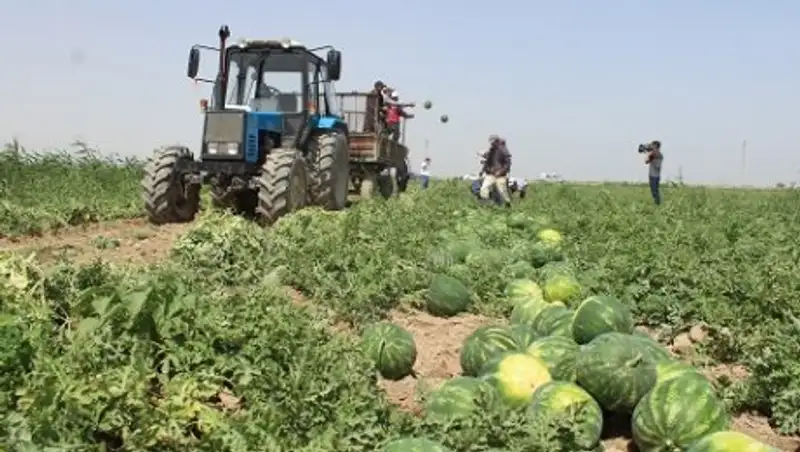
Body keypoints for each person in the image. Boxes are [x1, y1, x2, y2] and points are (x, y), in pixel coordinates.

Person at [479, 136, 512, 206]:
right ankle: (486, 204)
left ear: (497, 141)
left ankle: (507, 204)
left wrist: (501, 171)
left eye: (492, 142)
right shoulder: (491, 150)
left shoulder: (504, 150)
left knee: (502, 192)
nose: (491, 143)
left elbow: (508, 163)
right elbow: (488, 161)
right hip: (491, 174)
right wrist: (483, 170)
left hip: (500, 175)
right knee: (484, 188)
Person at [645, 140, 663, 205]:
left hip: (654, 176)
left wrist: (650, 156)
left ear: (656, 146)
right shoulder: (654, 154)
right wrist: (649, 153)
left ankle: (658, 204)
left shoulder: (658, 155)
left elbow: (656, 166)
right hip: (653, 175)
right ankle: (658, 204)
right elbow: (646, 161)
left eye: (653, 146)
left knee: (655, 192)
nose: (651, 147)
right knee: (654, 192)